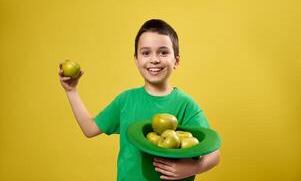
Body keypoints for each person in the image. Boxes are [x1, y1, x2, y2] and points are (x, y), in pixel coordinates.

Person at [58, 19, 221, 181]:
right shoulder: (126, 100)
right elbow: (89, 128)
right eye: (146, 53)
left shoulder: (186, 104)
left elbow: (214, 154)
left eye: (163, 52)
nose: (154, 59)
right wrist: (71, 91)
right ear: (136, 60)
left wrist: (192, 168)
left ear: (176, 60)